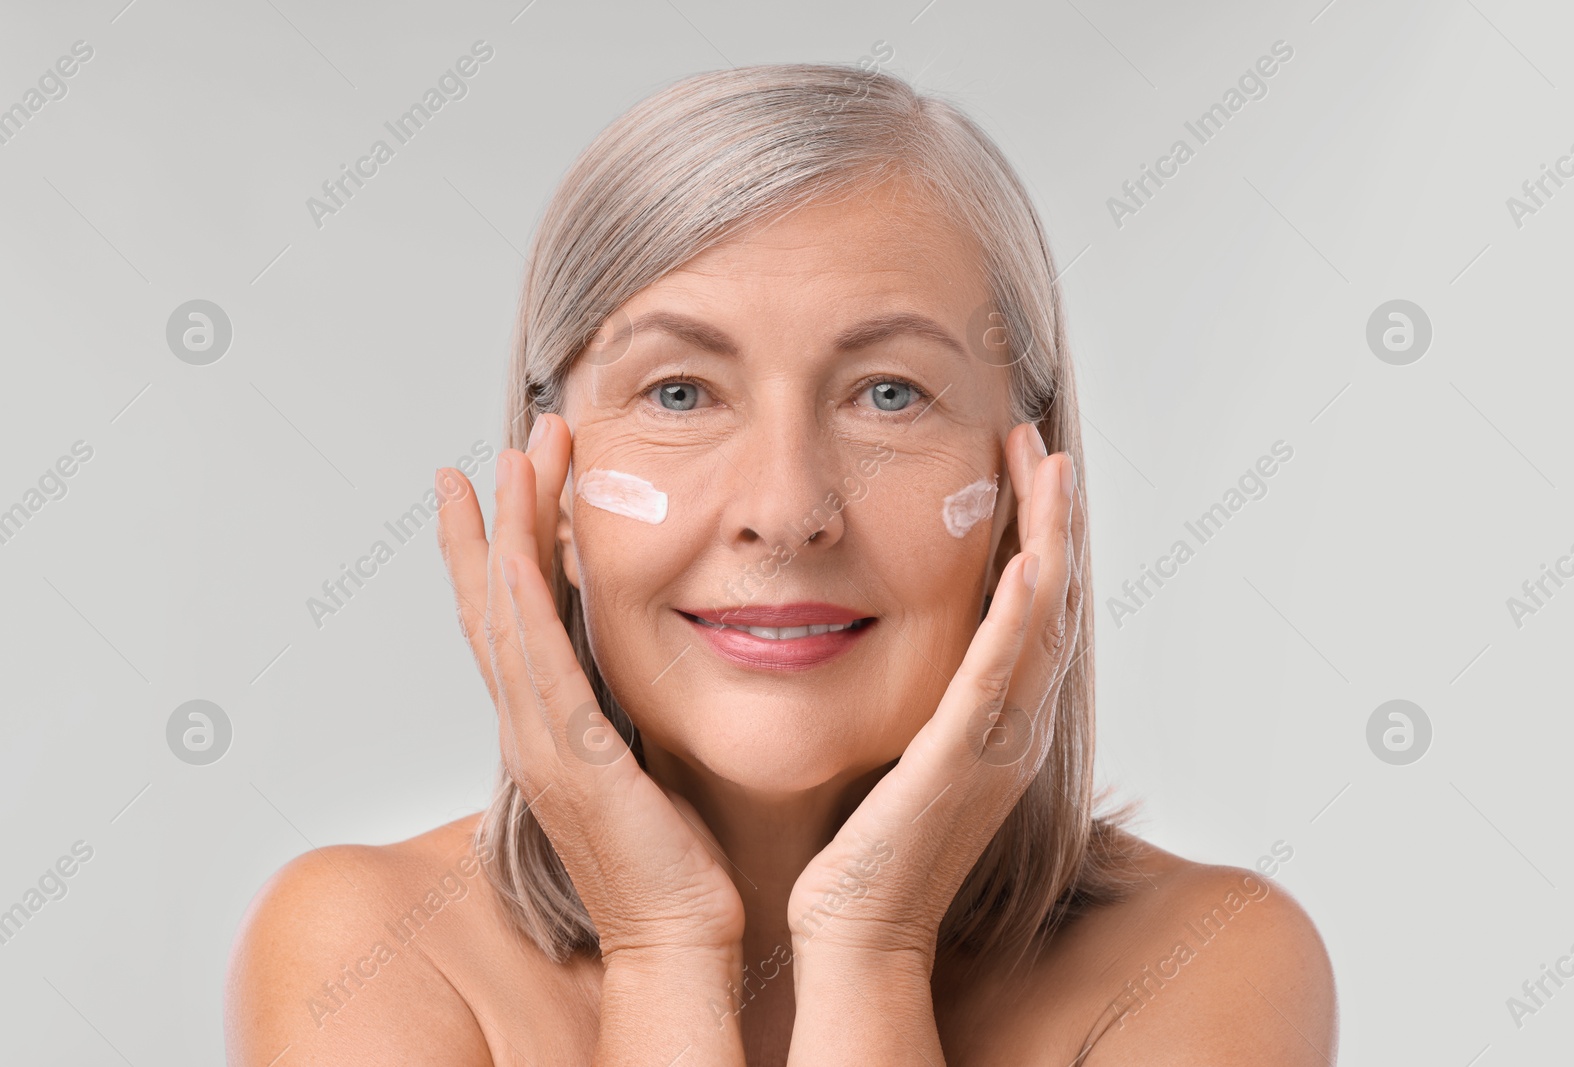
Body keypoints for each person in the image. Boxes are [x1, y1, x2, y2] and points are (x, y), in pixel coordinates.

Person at [225, 62, 1337, 1065]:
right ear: (553, 495)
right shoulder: (363, 952)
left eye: (888, 394)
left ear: (1022, 493)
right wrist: (661, 949)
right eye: (680, 393)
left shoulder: (1203, 965)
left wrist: (870, 944)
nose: (787, 509)